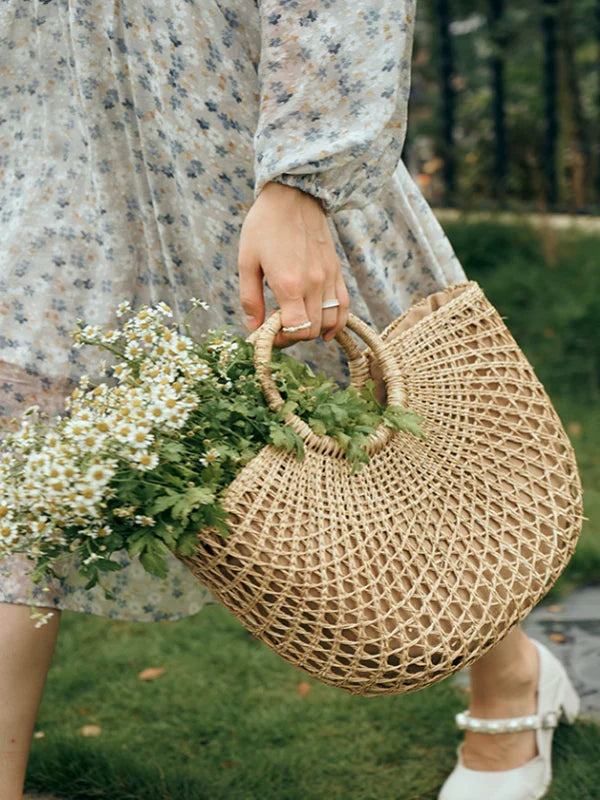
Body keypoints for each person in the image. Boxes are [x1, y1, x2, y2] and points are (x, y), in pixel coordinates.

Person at [0, 1, 579, 798]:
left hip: (234, 123)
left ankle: (510, 682)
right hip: (54, 143)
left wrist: (302, 177)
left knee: (374, 404)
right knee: (23, 464)